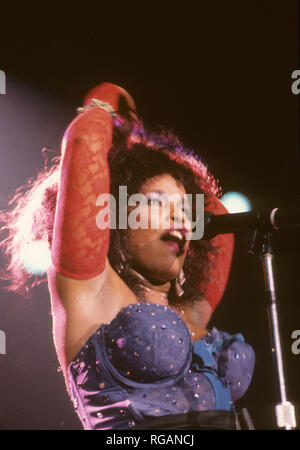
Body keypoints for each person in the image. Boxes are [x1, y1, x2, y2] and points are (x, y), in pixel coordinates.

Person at [0, 82, 255, 430]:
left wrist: (151, 151)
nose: (181, 218)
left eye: (184, 208)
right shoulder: (93, 289)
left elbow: (218, 216)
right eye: (157, 202)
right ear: (114, 215)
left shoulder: (193, 307)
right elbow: (86, 142)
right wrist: (109, 104)